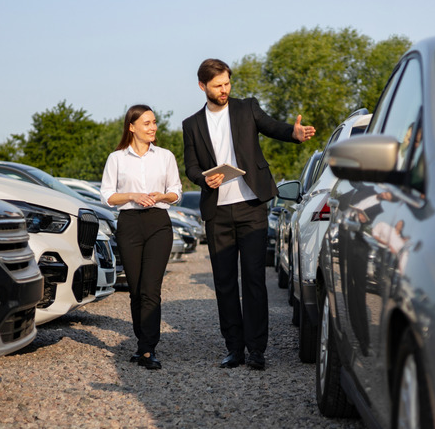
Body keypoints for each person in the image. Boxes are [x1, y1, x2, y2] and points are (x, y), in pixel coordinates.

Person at [182, 58, 315, 370]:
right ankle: (234, 349)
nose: (224, 89)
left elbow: (273, 127)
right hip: (217, 212)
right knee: (225, 282)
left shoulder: (247, 108)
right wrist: (203, 178)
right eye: (217, 86)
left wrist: (293, 134)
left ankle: (257, 351)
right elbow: (190, 165)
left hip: (251, 206)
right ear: (203, 87)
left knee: (254, 280)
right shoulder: (192, 124)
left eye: (227, 83)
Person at [101, 104, 182, 370]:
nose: (153, 127)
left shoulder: (165, 156)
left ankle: (148, 349)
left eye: (154, 122)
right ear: (132, 127)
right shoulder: (117, 159)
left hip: (159, 222)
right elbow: (108, 196)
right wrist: (133, 195)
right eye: (146, 123)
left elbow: (176, 192)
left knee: (151, 289)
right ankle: (141, 343)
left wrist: (161, 196)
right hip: (130, 223)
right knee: (136, 290)